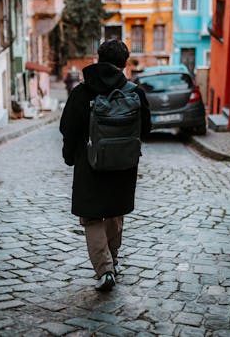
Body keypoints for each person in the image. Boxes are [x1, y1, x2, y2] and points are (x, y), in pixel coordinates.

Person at [59, 39, 151, 292]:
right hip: (123, 166)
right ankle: (114, 259)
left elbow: (68, 129)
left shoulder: (81, 92)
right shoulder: (134, 92)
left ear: (97, 59)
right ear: (124, 64)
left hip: (89, 165)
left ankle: (105, 269)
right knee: (114, 212)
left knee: (91, 217)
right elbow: (147, 130)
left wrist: (69, 156)